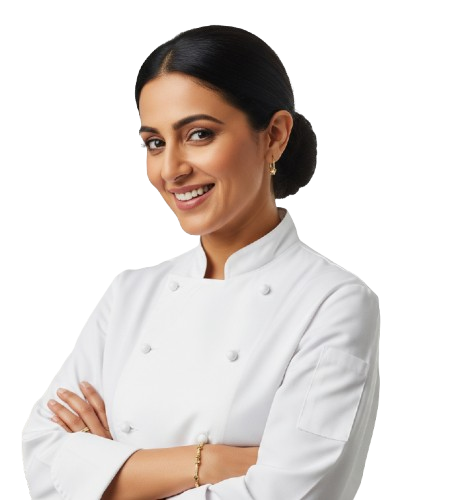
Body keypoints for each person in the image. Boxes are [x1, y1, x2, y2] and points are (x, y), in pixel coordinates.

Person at [21, 24, 380, 500]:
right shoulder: (131, 292)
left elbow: (291, 493)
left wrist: (104, 474)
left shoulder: (334, 301)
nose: (171, 170)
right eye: (154, 142)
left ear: (274, 136)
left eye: (199, 134)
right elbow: (44, 461)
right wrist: (208, 462)